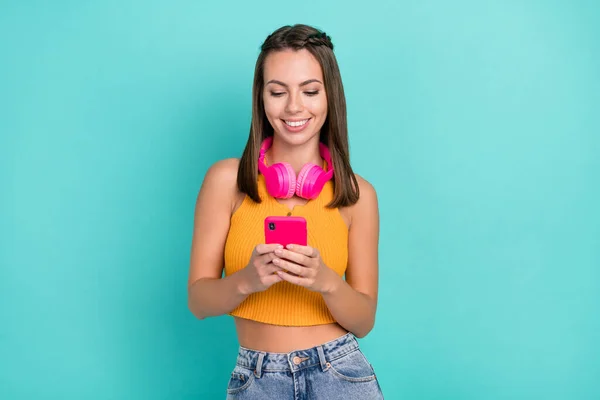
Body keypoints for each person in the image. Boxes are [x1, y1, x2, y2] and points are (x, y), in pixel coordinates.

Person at [187, 24, 383, 399]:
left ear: (330, 97)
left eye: (310, 91)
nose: (294, 107)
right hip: (257, 378)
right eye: (278, 92)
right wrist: (247, 280)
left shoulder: (358, 195)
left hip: (340, 374)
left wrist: (325, 281)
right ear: (261, 98)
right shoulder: (226, 181)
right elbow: (198, 301)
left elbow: (364, 320)